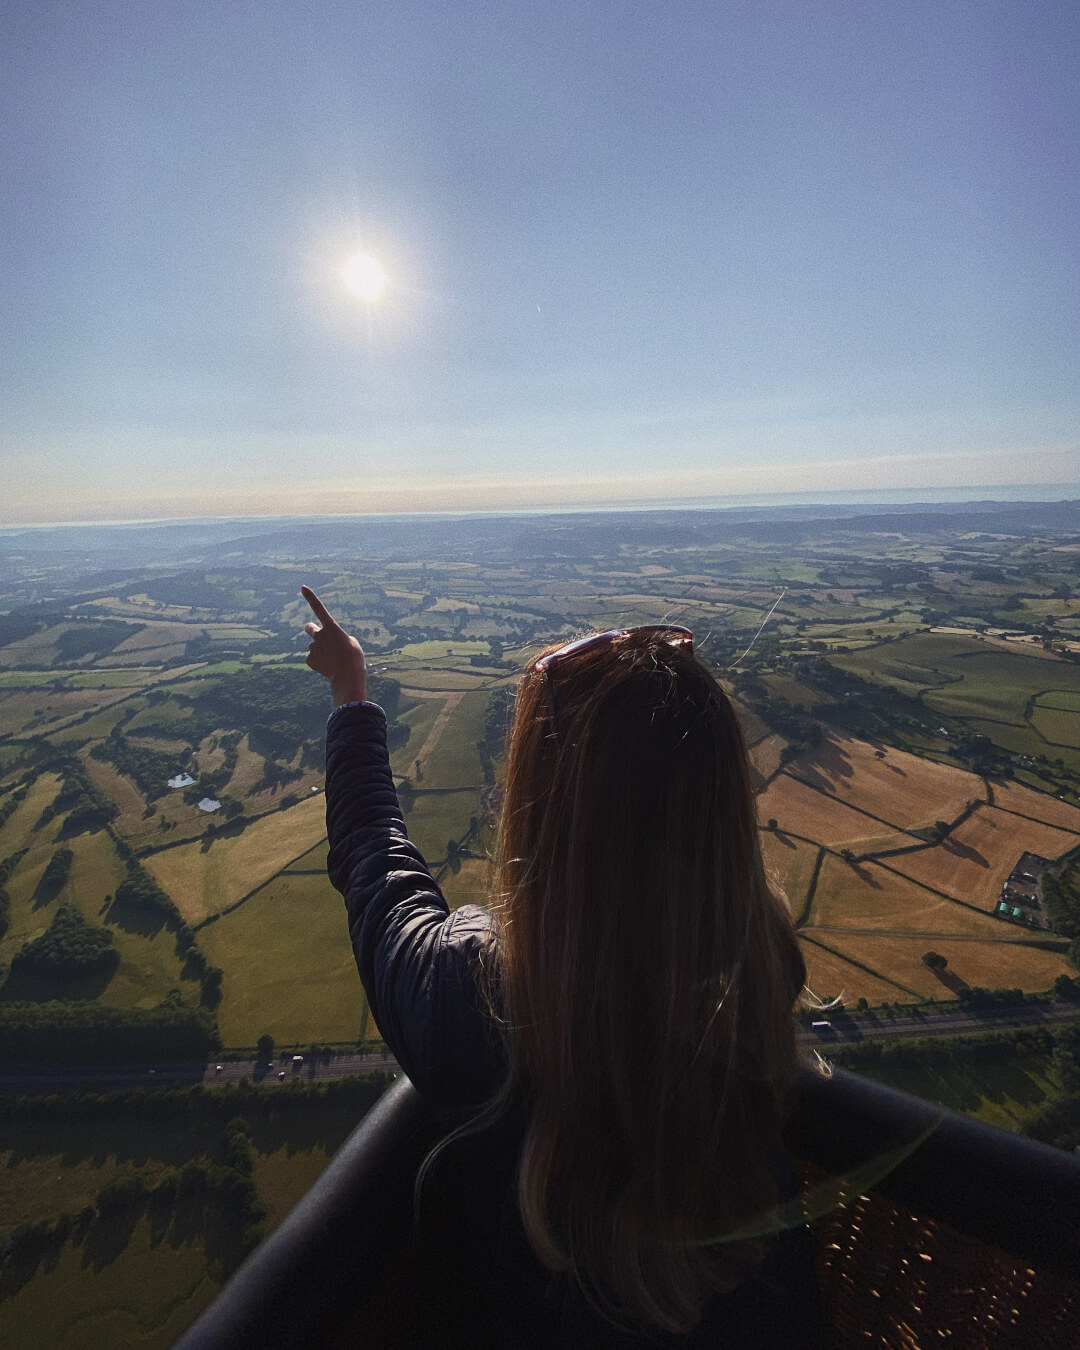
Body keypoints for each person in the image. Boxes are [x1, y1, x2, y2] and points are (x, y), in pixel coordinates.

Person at [302, 586, 822, 1347]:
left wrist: (351, 694)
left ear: (543, 811)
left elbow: (376, 866)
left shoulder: (475, 1004)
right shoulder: (747, 1005)